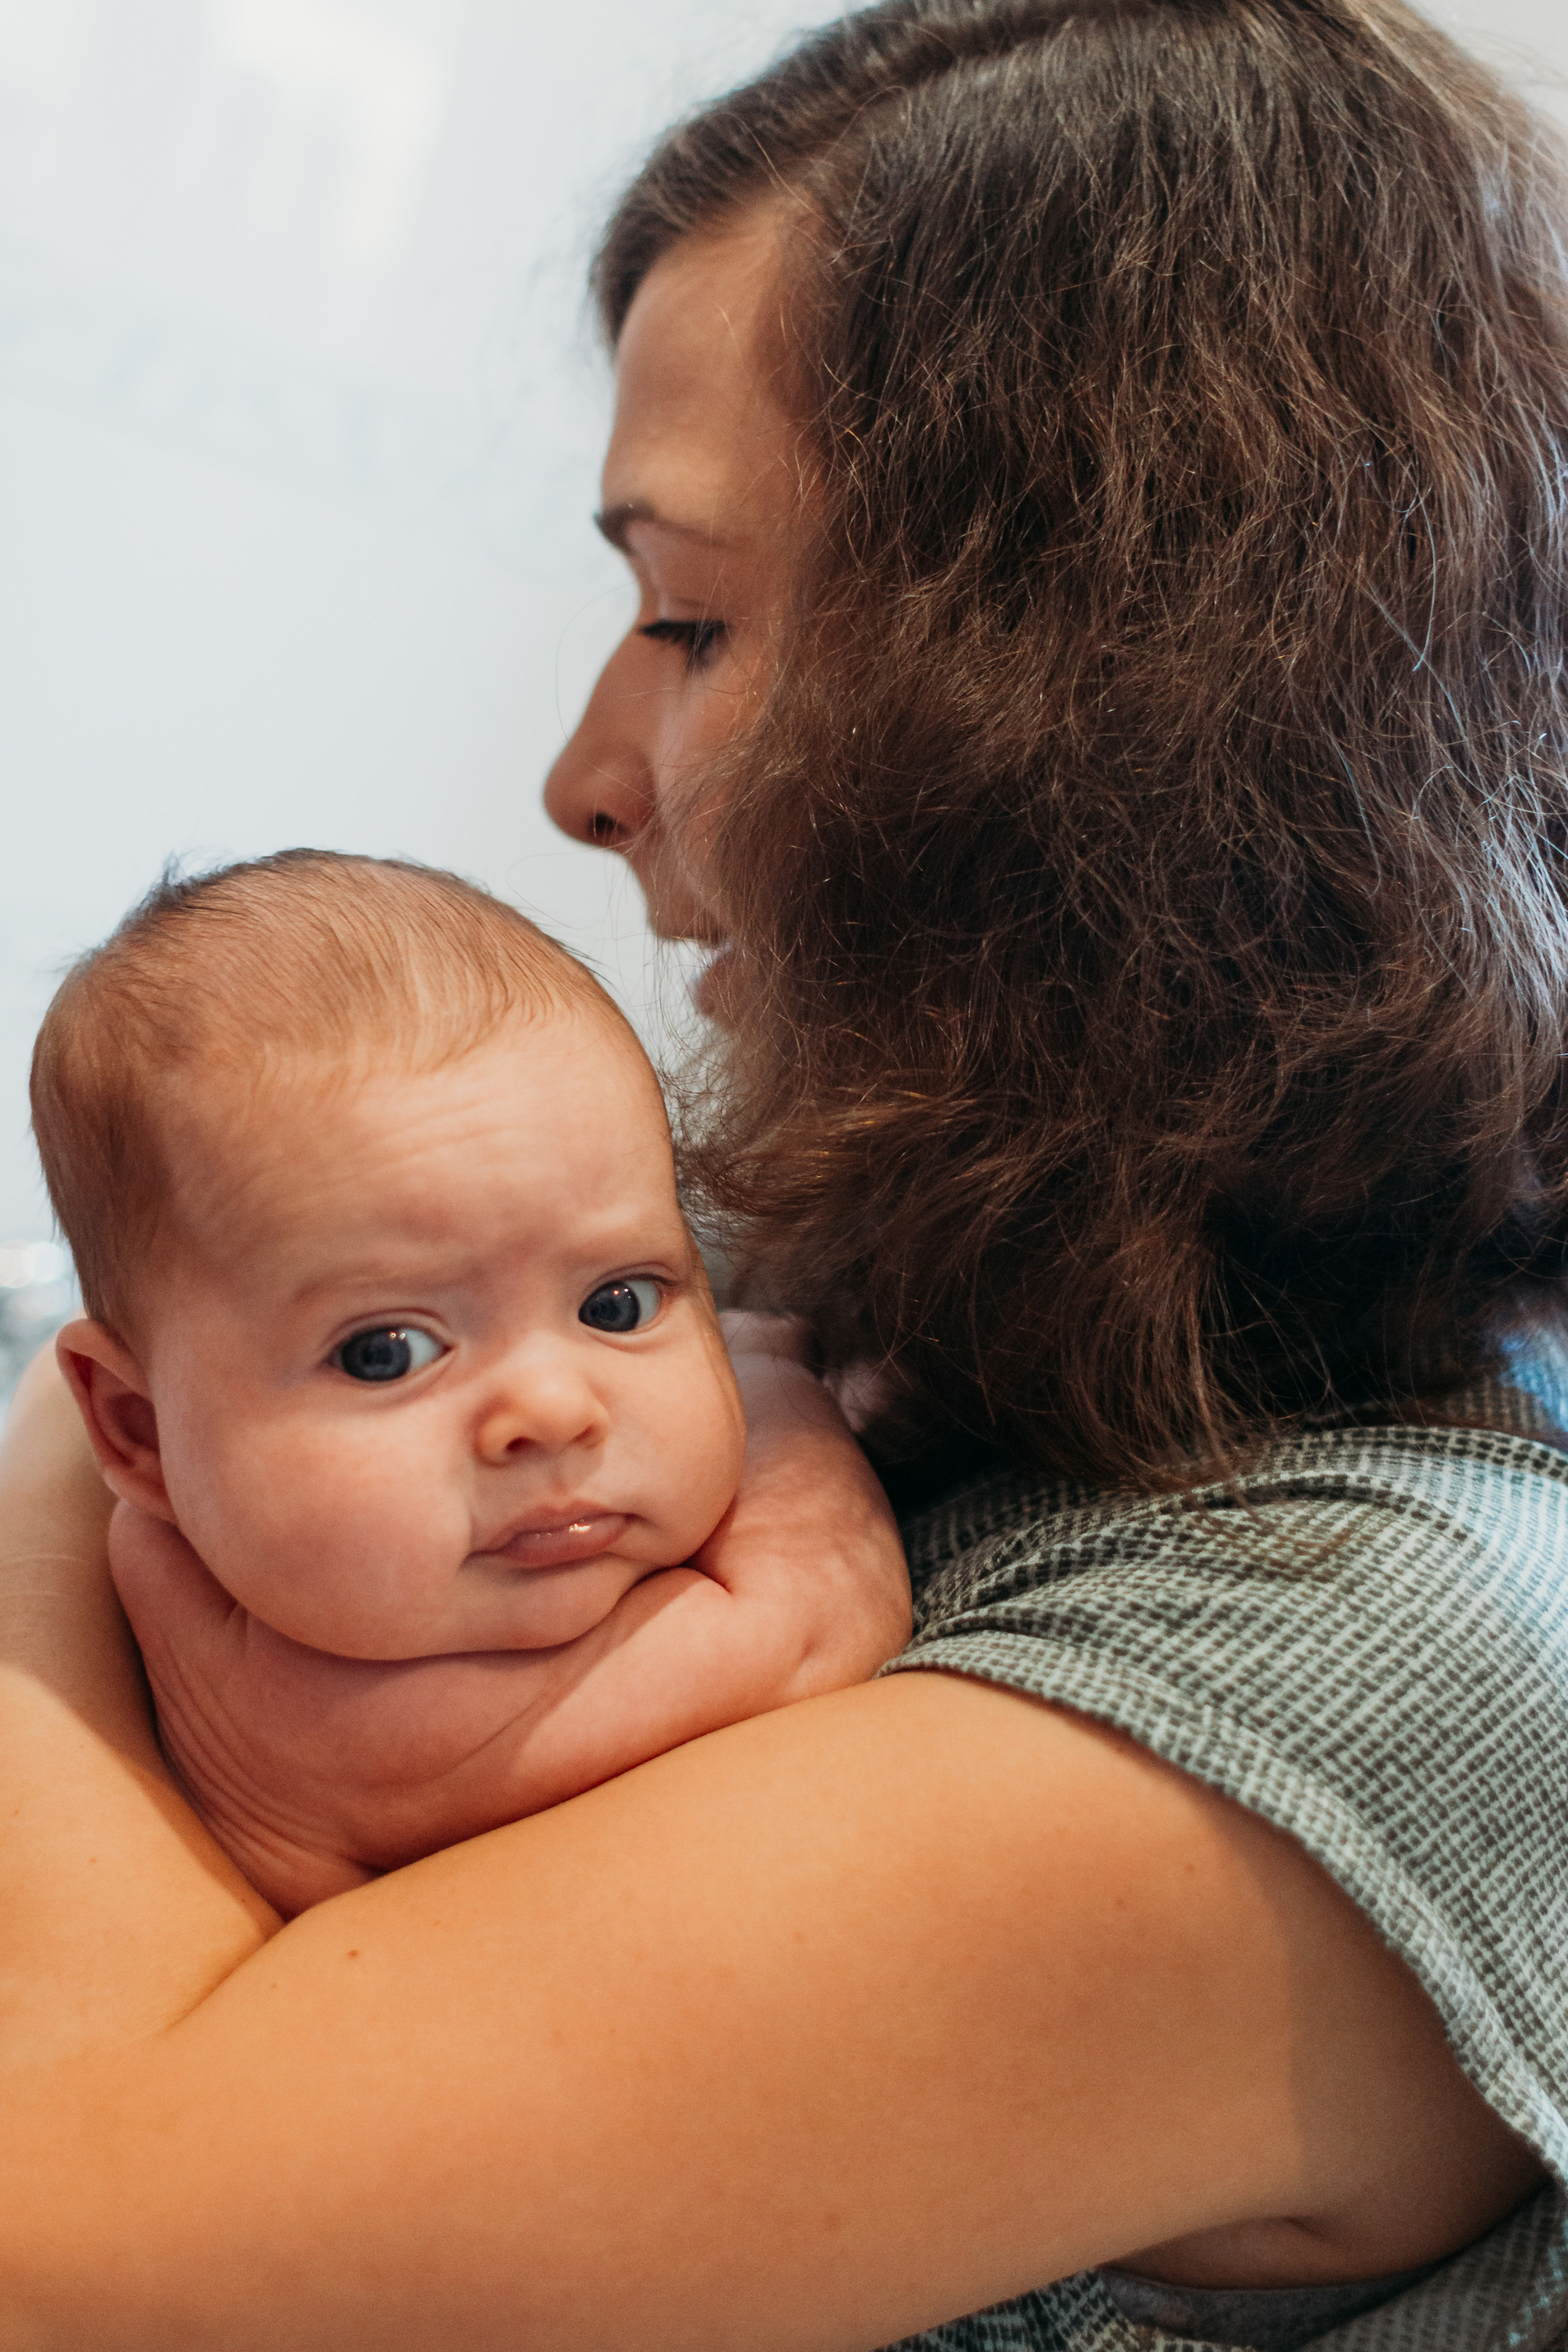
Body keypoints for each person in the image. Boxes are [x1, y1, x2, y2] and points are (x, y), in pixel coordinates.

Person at [1, 0, 1567, 2345]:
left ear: (1111, 702)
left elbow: (72, 2247)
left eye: (696, 618)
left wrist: (130, 1431)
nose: (581, 775)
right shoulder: (890, 1271)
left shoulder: (1373, 1659)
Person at [31, 851, 907, 1916]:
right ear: (137, 1430)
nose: (549, 1410)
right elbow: (820, 1615)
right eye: (385, 1352)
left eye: (618, 1304)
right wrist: (773, 1383)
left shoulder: (220, 1544)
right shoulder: (363, 1726)